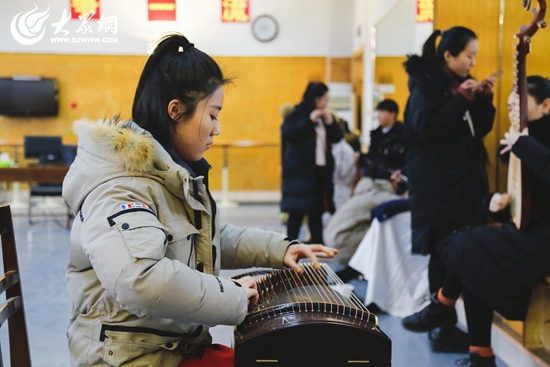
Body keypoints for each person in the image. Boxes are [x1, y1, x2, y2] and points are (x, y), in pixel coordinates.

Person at [62, 34, 338, 367]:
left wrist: (280, 249)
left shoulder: (167, 175)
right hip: (130, 357)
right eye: (212, 115)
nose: (216, 129)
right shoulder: (122, 186)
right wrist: (233, 295)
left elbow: (212, 237)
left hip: (172, 347)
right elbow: (142, 281)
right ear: (176, 111)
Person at [402, 76, 550, 367]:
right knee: (473, 255)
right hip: (532, 231)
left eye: (519, 105)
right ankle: (479, 352)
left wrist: (524, 145)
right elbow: (523, 204)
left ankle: (444, 304)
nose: (512, 111)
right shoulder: (522, 138)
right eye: (509, 105)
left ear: (546, 105)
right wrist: (493, 202)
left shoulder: (529, 140)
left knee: (470, 247)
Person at [400, 26, 496, 353]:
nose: (473, 61)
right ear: (448, 55)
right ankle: (442, 330)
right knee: (447, 253)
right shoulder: (425, 89)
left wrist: (484, 100)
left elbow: (477, 130)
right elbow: (430, 129)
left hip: (461, 185)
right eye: (469, 55)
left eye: (475, 56)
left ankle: (445, 327)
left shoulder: (454, 86)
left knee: (458, 253)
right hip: (439, 190)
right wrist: (462, 98)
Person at [324, 99, 408, 277]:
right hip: (339, 244)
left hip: (333, 242)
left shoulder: (401, 135)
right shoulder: (380, 194)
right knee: (386, 232)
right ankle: (361, 268)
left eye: (382, 111)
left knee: (378, 223)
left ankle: (358, 268)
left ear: (393, 114)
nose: (379, 115)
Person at [280, 82, 344, 244]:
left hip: (320, 171)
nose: (326, 104)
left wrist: (331, 123)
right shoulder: (296, 113)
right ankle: (290, 245)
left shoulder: (325, 116)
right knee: (297, 211)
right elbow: (289, 133)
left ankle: (317, 243)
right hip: (301, 172)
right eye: (324, 99)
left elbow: (337, 137)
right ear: (315, 98)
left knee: (317, 210)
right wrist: (309, 120)